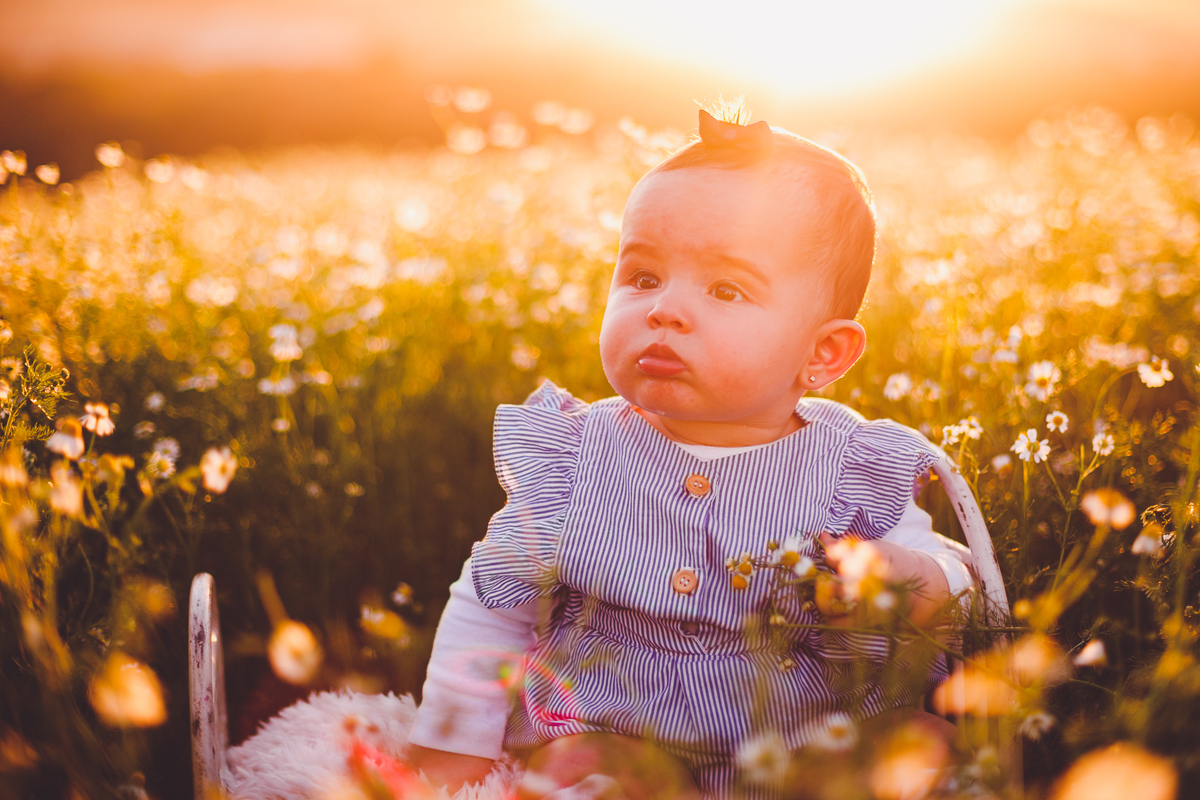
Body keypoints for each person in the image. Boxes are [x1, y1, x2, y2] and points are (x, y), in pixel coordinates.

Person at [406, 105, 973, 799]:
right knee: (581, 769)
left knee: (926, 743)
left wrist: (907, 576)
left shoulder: (851, 465)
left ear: (822, 353)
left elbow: (957, 576)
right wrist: (449, 747)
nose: (664, 310)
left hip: (809, 736)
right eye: (643, 277)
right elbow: (491, 605)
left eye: (726, 289)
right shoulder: (576, 457)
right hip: (621, 730)